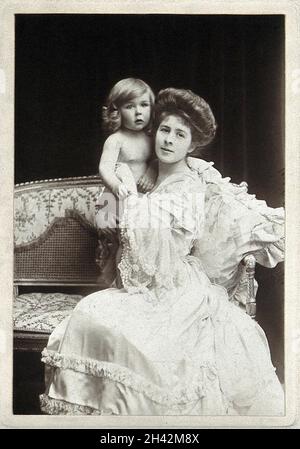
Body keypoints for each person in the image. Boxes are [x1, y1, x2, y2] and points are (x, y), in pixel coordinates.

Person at [40, 88, 284, 416]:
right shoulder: (148, 171)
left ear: (192, 145)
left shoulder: (189, 186)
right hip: (144, 283)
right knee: (88, 316)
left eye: (179, 135)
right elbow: (108, 218)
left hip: (172, 285)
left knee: (131, 339)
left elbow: (160, 253)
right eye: (165, 130)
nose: (168, 140)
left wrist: (129, 197)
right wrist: (122, 188)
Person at [95, 78, 157, 285]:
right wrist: (115, 185)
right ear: (117, 111)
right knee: (120, 242)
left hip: (141, 200)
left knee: (140, 242)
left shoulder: (152, 138)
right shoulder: (116, 140)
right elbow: (105, 167)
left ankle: (138, 282)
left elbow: (160, 160)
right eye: (130, 107)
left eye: (144, 105)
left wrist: (151, 170)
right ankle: (115, 283)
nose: (138, 112)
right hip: (116, 197)